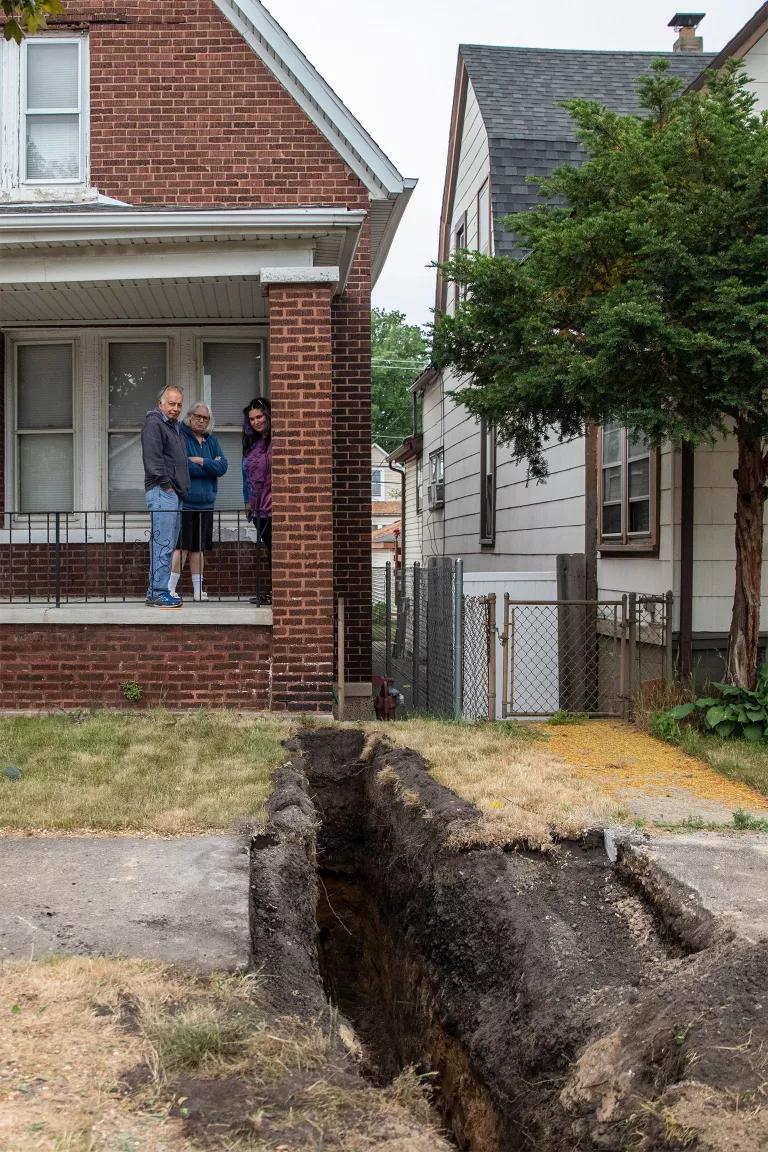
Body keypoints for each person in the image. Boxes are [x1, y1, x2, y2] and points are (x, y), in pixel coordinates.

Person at [169, 402, 228, 602]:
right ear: (190, 416)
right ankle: (169, 589)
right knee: (182, 547)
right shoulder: (181, 437)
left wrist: (202, 461)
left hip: (206, 504)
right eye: (198, 416)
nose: (201, 420)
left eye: (205, 418)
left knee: (199, 549)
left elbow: (222, 467)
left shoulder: (211, 441)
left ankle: (197, 591)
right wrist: (209, 466)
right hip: (186, 503)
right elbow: (183, 466)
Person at [141, 385, 190, 608]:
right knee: (163, 544)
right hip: (163, 492)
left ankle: (158, 591)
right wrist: (167, 485)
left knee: (168, 544)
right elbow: (153, 459)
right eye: (171, 403)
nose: (176, 408)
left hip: (173, 493)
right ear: (161, 403)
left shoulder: (173, 426)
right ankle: (158, 592)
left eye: (179, 404)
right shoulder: (155, 423)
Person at [242, 397, 272, 605]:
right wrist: (247, 501)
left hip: (273, 505)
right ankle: (270, 592)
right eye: (252, 418)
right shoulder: (251, 443)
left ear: (268, 416)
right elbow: (245, 475)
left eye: (259, 416)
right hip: (257, 507)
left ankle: (275, 592)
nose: (256, 421)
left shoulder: (276, 440)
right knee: (269, 549)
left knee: (276, 551)